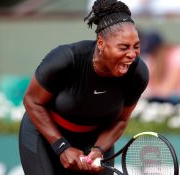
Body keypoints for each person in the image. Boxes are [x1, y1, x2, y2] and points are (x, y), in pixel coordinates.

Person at [18, 0, 149, 175]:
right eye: (124, 47)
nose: (132, 54)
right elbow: (32, 101)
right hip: (45, 137)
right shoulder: (65, 59)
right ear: (101, 44)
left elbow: (121, 121)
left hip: (95, 142)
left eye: (136, 46)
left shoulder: (137, 74)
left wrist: (99, 150)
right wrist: (62, 147)